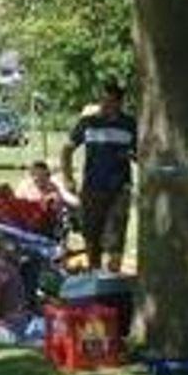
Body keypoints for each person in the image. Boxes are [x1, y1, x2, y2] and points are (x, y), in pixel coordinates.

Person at [61, 80, 137, 274]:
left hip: (120, 188)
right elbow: (67, 149)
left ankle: (113, 275)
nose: (104, 105)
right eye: (102, 101)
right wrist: (68, 178)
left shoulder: (130, 125)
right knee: (91, 234)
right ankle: (93, 274)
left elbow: (141, 155)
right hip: (92, 187)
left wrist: (131, 155)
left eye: (109, 101)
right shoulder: (88, 123)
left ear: (119, 103)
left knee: (116, 235)